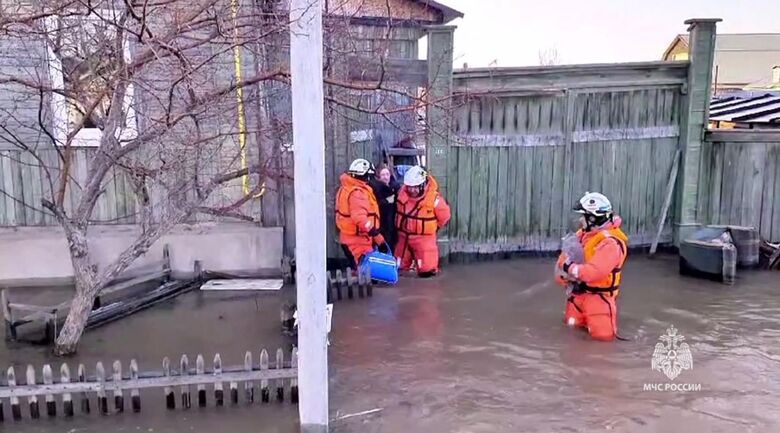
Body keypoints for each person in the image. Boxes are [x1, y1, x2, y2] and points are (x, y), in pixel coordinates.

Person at [555, 192, 628, 341]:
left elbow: (593, 273)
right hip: (577, 297)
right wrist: (563, 274)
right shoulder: (582, 235)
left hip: (599, 300)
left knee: (602, 340)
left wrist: (569, 267)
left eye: (584, 216)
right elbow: (564, 259)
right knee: (571, 333)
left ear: (594, 218)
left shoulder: (610, 244)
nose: (581, 220)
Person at [395, 166, 451, 278]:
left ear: (422, 185)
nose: (412, 190)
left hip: (424, 239)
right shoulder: (402, 194)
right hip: (403, 238)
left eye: (415, 187)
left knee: (427, 271)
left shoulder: (434, 199)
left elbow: (445, 216)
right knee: (397, 268)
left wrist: (432, 227)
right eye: (410, 187)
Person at [335, 158, 387, 268]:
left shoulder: (346, 188)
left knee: (361, 270)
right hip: (357, 241)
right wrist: (376, 234)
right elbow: (360, 218)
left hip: (351, 238)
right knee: (366, 271)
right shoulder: (357, 192)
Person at [369, 164, 401, 252]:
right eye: (383, 175)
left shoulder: (395, 187)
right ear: (378, 176)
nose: (386, 177)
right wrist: (386, 201)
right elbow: (374, 204)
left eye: (387, 174)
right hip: (381, 221)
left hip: (393, 221)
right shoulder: (374, 188)